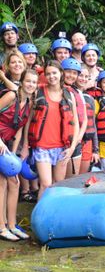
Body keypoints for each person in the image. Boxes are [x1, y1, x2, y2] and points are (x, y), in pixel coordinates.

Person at [24, 60, 79, 199]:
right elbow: (28, 120)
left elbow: (76, 123)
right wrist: (25, 145)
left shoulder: (69, 94)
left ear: (61, 73)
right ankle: (40, 218)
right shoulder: (38, 92)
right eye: (48, 74)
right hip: (42, 146)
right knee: (46, 184)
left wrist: (72, 148)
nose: (51, 76)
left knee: (58, 184)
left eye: (54, 73)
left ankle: (54, 217)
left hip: (62, 147)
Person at [0, 69, 37, 241]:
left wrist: (14, 152)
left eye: (34, 82)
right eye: (28, 81)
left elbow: (20, 128)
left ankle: (12, 225)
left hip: (7, 145)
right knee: (2, 183)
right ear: (21, 81)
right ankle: (2, 227)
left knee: (14, 182)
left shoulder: (29, 102)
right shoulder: (11, 96)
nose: (31, 85)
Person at [61, 58, 88, 177]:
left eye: (74, 73)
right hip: (62, 140)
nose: (71, 75)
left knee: (74, 177)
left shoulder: (78, 92)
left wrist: (78, 137)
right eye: (68, 72)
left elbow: (85, 119)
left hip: (76, 140)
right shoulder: (58, 90)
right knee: (62, 179)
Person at [75, 65, 99, 174]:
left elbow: (93, 124)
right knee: (70, 178)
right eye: (81, 75)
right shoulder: (68, 94)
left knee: (82, 177)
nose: (83, 79)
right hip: (73, 141)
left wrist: (95, 150)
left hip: (87, 141)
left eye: (87, 77)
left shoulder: (89, 99)